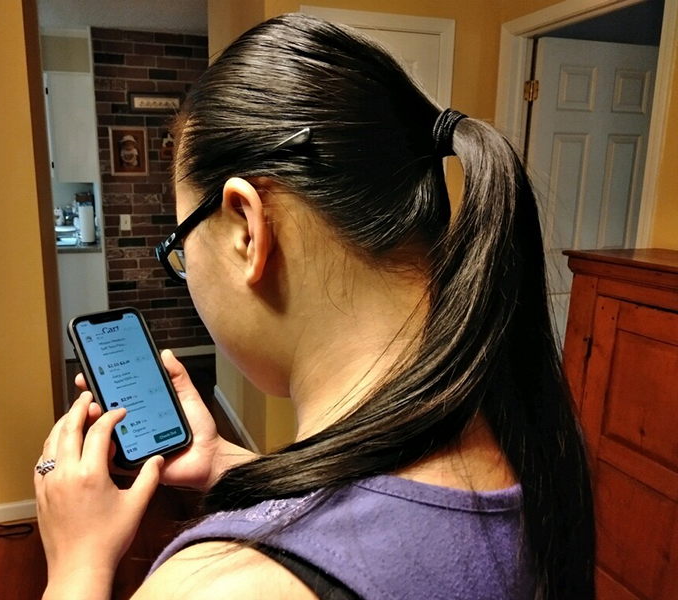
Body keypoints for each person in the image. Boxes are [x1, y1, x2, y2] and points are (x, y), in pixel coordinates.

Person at [34, 13, 595, 600]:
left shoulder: (220, 587)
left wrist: (79, 565)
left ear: (246, 228)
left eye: (180, 244)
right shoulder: (530, 436)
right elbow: (383, 518)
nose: (185, 271)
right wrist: (235, 469)